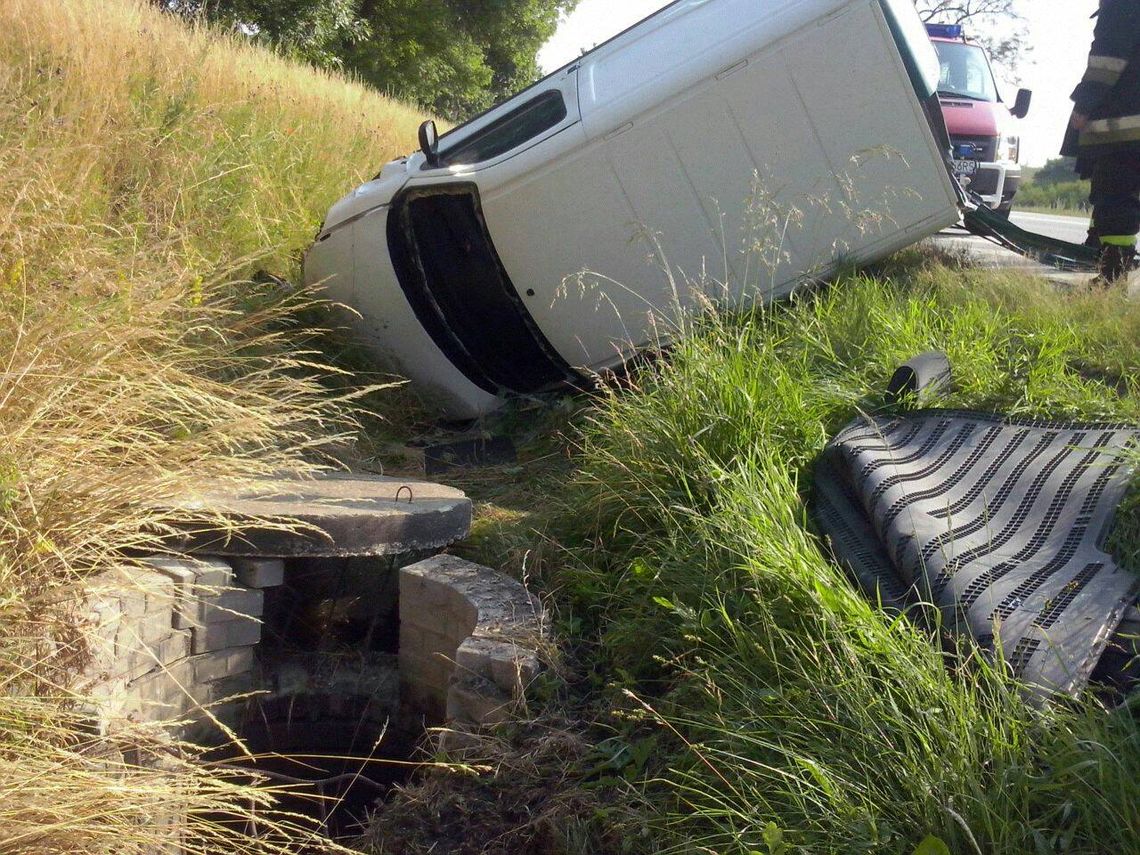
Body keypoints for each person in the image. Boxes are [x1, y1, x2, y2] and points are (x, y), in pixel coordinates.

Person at [1061, 0, 1140, 286]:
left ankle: (1112, 277)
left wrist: (1084, 104)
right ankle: (1096, 247)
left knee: (1115, 197)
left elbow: (1107, 61)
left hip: (1123, 129)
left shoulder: (1122, 6)